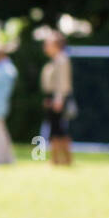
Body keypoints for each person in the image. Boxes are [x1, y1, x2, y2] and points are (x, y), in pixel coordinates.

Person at [40, 31, 73, 166]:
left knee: (59, 130)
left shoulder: (62, 59)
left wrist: (58, 99)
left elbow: (63, 82)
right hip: (53, 97)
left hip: (59, 98)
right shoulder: (55, 60)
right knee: (55, 129)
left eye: (48, 44)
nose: (45, 47)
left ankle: (63, 160)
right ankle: (58, 160)